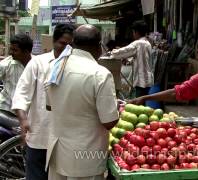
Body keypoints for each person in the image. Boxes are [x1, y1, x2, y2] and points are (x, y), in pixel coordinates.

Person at [45, 24, 119, 180]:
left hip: (57, 152)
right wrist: (117, 106)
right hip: (85, 157)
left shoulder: (54, 67)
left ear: (73, 43)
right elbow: (109, 122)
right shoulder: (100, 74)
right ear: (99, 46)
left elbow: (50, 105)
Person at [11, 24, 75, 180]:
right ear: (54, 41)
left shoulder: (77, 66)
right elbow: (21, 94)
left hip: (66, 140)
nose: (66, 49)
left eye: (70, 45)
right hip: (40, 136)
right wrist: (23, 120)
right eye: (62, 44)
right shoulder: (38, 63)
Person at [110, 20, 154, 97]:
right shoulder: (147, 43)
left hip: (141, 81)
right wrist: (129, 60)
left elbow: (124, 51)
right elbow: (141, 57)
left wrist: (112, 52)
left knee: (140, 103)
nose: (133, 34)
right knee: (143, 102)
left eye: (133, 32)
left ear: (136, 32)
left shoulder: (138, 43)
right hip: (148, 80)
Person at [0, 34, 32, 129]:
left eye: (15, 50)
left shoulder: (37, 65)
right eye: (11, 49)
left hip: (28, 113)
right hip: (7, 110)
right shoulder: (5, 65)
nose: (11, 52)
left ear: (26, 52)